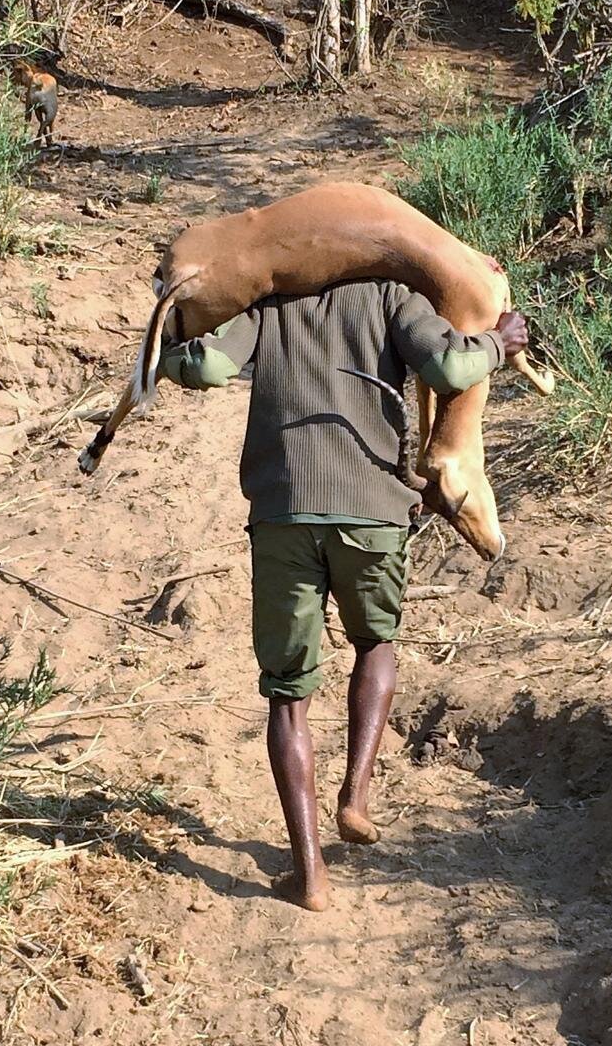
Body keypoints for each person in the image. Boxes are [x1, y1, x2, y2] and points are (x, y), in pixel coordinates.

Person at [159, 280, 529, 911]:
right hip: (374, 513)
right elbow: (448, 366)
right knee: (375, 643)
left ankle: (310, 876)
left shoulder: (268, 303)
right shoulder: (390, 297)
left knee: (287, 695)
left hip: (285, 513)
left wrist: (166, 346)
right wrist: (499, 342)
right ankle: (355, 796)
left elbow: (210, 367)